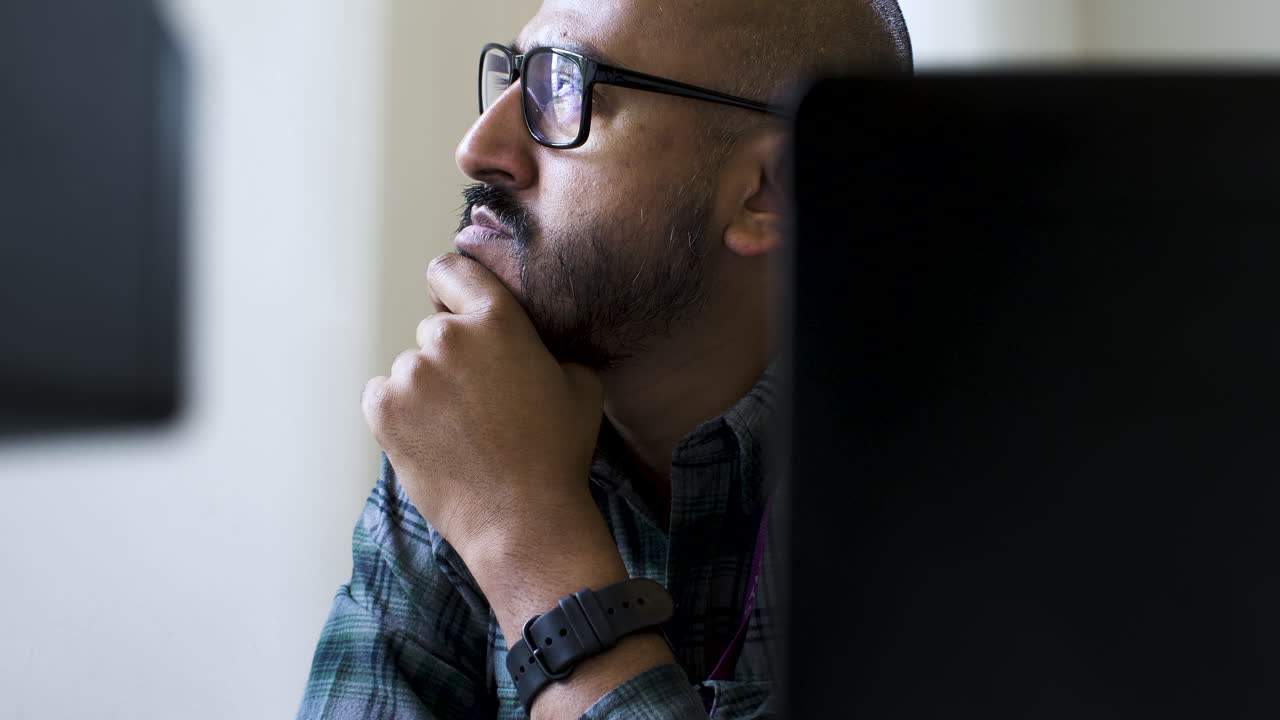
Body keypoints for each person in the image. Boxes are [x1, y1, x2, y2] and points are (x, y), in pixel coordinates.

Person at [298, 0, 911, 717]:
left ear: (768, 190)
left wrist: (526, 539)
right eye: (517, 75)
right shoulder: (473, 424)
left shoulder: (966, 488)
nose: (477, 147)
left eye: (565, 88)